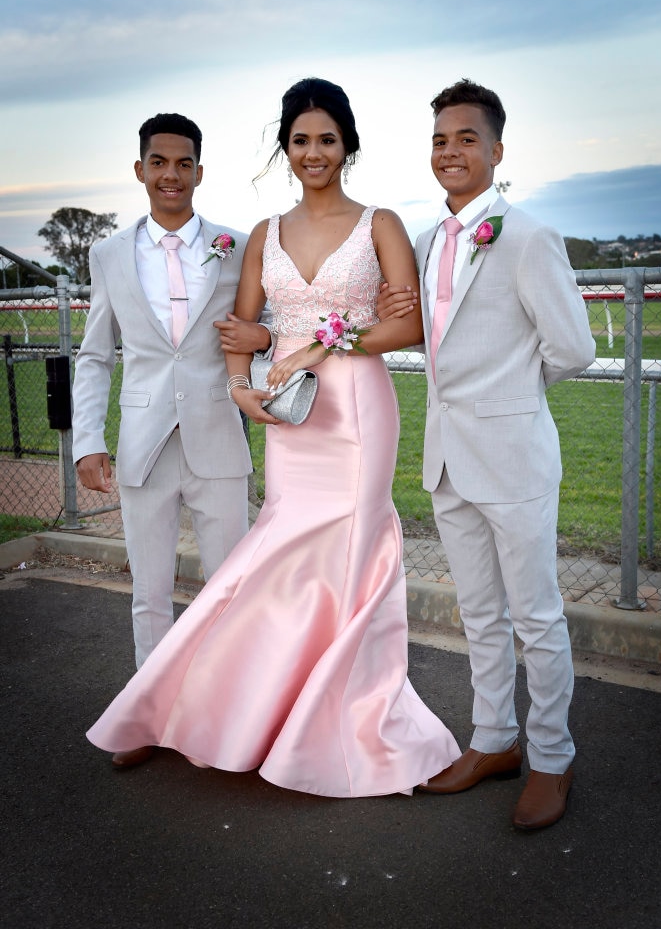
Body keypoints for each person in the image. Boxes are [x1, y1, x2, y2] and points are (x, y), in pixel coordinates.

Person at [86, 78, 460, 797]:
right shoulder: (261, 235)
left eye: (325, 139)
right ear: (284, 150)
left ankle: (340, 720)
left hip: (356, 413)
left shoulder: (379, 223)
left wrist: (322, 342)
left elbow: (408, 327)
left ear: (346, 145)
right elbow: (239, 326)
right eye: (299, 141)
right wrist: (240, 385)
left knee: (351, 558)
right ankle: (255, 711)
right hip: (290, 417)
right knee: (281, 560)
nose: (312, 153)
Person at [380, 79, 595, 828]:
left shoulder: (529, 236)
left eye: (465, 138)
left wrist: (509, 393)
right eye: (440, 139)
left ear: (496, 151)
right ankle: (494, 739)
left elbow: (573, 347)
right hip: (446, 456)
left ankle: (551, 757)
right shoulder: (426, 239)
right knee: (477, 612)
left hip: (512, 454)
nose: (449, 151)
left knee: (535, 615)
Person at [72, 113, 270, 689]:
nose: (171, 175)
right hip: (143, 444)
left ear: (199, 171)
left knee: (228, 589)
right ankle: (149, 712)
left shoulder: (233, 247)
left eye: (183, 163)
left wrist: (264, 341)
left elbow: (266, 327)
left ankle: (225, 712)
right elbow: (95, 355)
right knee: (149, 593)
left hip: (218, 438)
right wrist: (88, 439)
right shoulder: (108, 254)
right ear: (140, 169)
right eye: (158, 162)